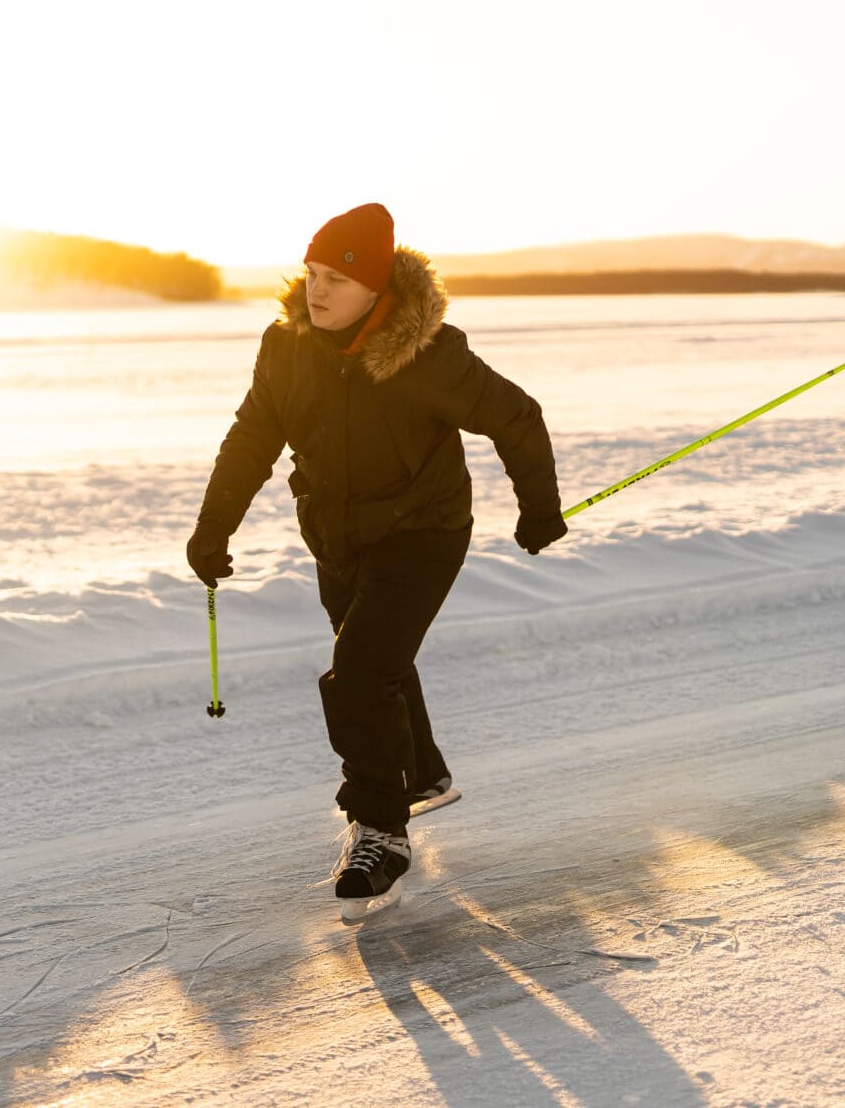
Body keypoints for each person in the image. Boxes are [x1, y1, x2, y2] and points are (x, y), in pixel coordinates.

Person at [187, 202, 567, 914]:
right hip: (336, 537)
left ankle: (381, 832)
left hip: (423, 531)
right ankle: (420, 776)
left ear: (377, 289)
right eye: (311, 273)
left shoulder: (428, 355)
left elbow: (518, 417)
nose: (316, 291)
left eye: (336, 277)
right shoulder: (286, 349)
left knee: (360, 671)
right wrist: (214, 529)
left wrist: (538, 509)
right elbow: (251, 440)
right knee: (379, 663)